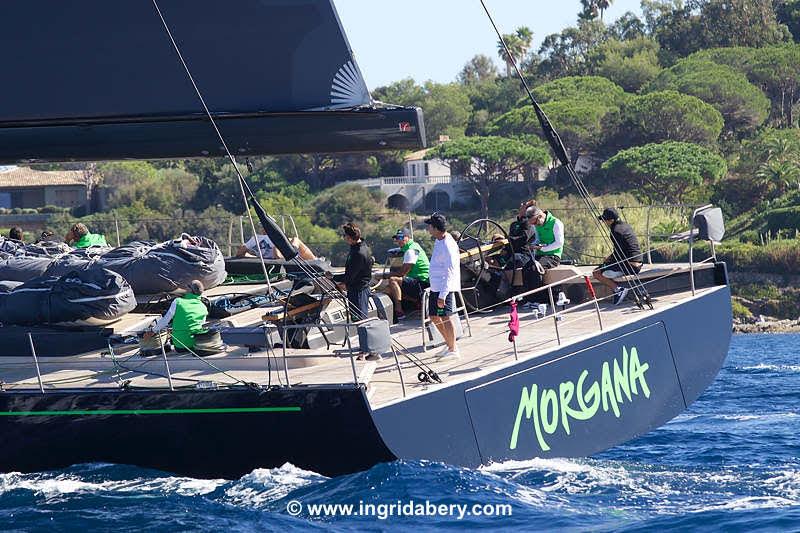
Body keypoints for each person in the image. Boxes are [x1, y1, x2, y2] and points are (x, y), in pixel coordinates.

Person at [425, 212, 461, 360]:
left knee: (446, 317)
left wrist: (443, 295)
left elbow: (450, 271)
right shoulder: (439, 240)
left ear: (436, 228)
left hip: (444, 288)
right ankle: (450, 343)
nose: (428, 229)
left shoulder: (448, 244)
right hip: (436, 286)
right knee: (433, 316)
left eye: (430, 226)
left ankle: (453, 349)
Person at [593, 208, 643, 305]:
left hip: (630, 266)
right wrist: (610, 258)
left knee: (596, 272)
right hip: (638, 263)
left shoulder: (615, 231)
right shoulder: (625, 226)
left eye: (605, 220)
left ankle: (618, 290)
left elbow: (619, 253)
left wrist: (608, 260)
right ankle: (618, 289)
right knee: (605, 268)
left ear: (611, 220)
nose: (604, 222)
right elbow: (622, 250)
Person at [379, 228, 430, 320]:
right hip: (416, 280)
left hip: (422, 282)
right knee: (388, 289)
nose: (399, 240)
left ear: (407, 237)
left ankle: (399, 311)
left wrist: (384, 276)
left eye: (401, 237)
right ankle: (417, 301)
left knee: (393, 280)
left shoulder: (411, 251)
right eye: (397, 238)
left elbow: (402, 273)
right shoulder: (413, 246)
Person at [145, 280, 210, 352]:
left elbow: (165, 320)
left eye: (187, 287)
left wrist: (153, 331)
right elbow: (198, 325)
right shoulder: (203, 306)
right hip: (196, 344)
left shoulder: (178, 301)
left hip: (181, 345)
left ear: (189, 290)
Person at [332, 222, 374, 324]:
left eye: (344, 235)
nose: (344, 238)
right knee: (358, 319)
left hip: (358, 291)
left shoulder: (358, 253)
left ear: (350, 237)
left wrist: (332, 277)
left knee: (360, 320)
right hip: (358, 289)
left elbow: (349, 276)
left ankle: (365, 339)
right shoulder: (361, 247)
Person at [235, 233, 316, 260]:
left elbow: (239, 253)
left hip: (265, 259)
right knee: (296, 239)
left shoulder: (254, 238)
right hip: (284, 258)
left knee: (293, 240)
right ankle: (315, 260)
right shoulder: (276, 238)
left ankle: (293, 250)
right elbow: (277, 257)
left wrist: (257, 258)